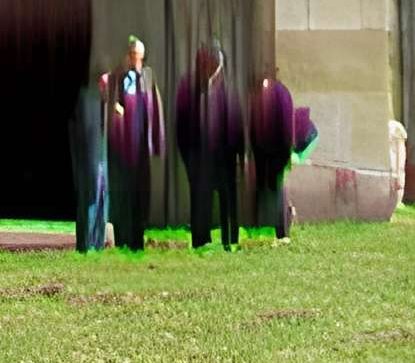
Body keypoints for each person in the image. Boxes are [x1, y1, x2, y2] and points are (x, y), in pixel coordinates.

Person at [174, 41, 243, 251]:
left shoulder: (228, 87)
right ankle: (200, 241)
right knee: (200, 200)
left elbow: (237, 122)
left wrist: (240, 155)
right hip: (198, 156)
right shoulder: (188, 87)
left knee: (228, 199)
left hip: (224, 155)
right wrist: (188, 159)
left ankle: (230, 240)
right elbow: (181, 125)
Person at [105, 33, 163, 251]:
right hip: (122, 148)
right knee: (122, 194)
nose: (135, 60)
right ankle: (122, 238)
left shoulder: (148, 77)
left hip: (140, 148)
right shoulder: (117, 77)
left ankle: (137, 239)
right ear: (127, 56)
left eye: (138, 56)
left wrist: (156, 142)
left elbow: (155, 109)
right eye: (132, 55)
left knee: (140, 195)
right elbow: (110, 106)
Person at [249, 66, 317, 240]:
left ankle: (282, 231)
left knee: (276, 186)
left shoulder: (280, 94)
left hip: (293, 144)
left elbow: (287, 129)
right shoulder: (261, 95)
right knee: (266, 186)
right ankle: (264, 227)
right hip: (274, 148)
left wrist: (287, 154)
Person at [72, 65, 112, 253]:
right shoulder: (87, 101)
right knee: (89, 201)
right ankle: (86, 244)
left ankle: (98, 243)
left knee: (102, 201)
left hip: (104, 160)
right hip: (90, 161)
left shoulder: (111, 105)